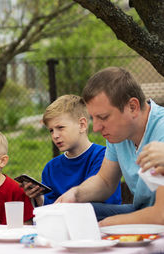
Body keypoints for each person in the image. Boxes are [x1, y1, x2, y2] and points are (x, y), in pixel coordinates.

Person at [56, 67, 164, 226]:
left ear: (132, 107)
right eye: (94, 118)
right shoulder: (119, 133)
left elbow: (159, 216)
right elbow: (105, 181)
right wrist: (75, 194)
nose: (96, 128)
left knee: (94, 223)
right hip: (141, 210)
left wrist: (106, 225)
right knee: (74, 213)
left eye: (103, 117)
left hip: (156, 216)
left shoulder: (160, 130)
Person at [22, 94, 122, 207]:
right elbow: (51, 209)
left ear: (82, 125)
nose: (55, 135)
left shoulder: (104, 156)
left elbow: (101, 203)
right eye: (51, 130)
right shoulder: (51, 168)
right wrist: (39, 198)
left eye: (60, 128)